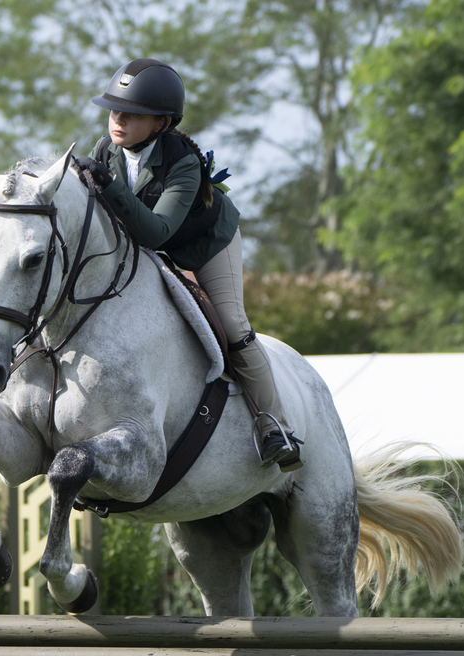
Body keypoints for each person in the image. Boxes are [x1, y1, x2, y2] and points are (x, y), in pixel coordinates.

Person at [75, 58, 302, 471]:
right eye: (114, 110)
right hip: (145, 248)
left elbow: (158, 232)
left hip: (204, 245)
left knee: (232, 325)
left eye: (132, 114)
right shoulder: (105, 150)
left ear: (162, 122)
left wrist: (108, 186)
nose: (118, 119)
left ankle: (275, 426)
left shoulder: (183, 162)